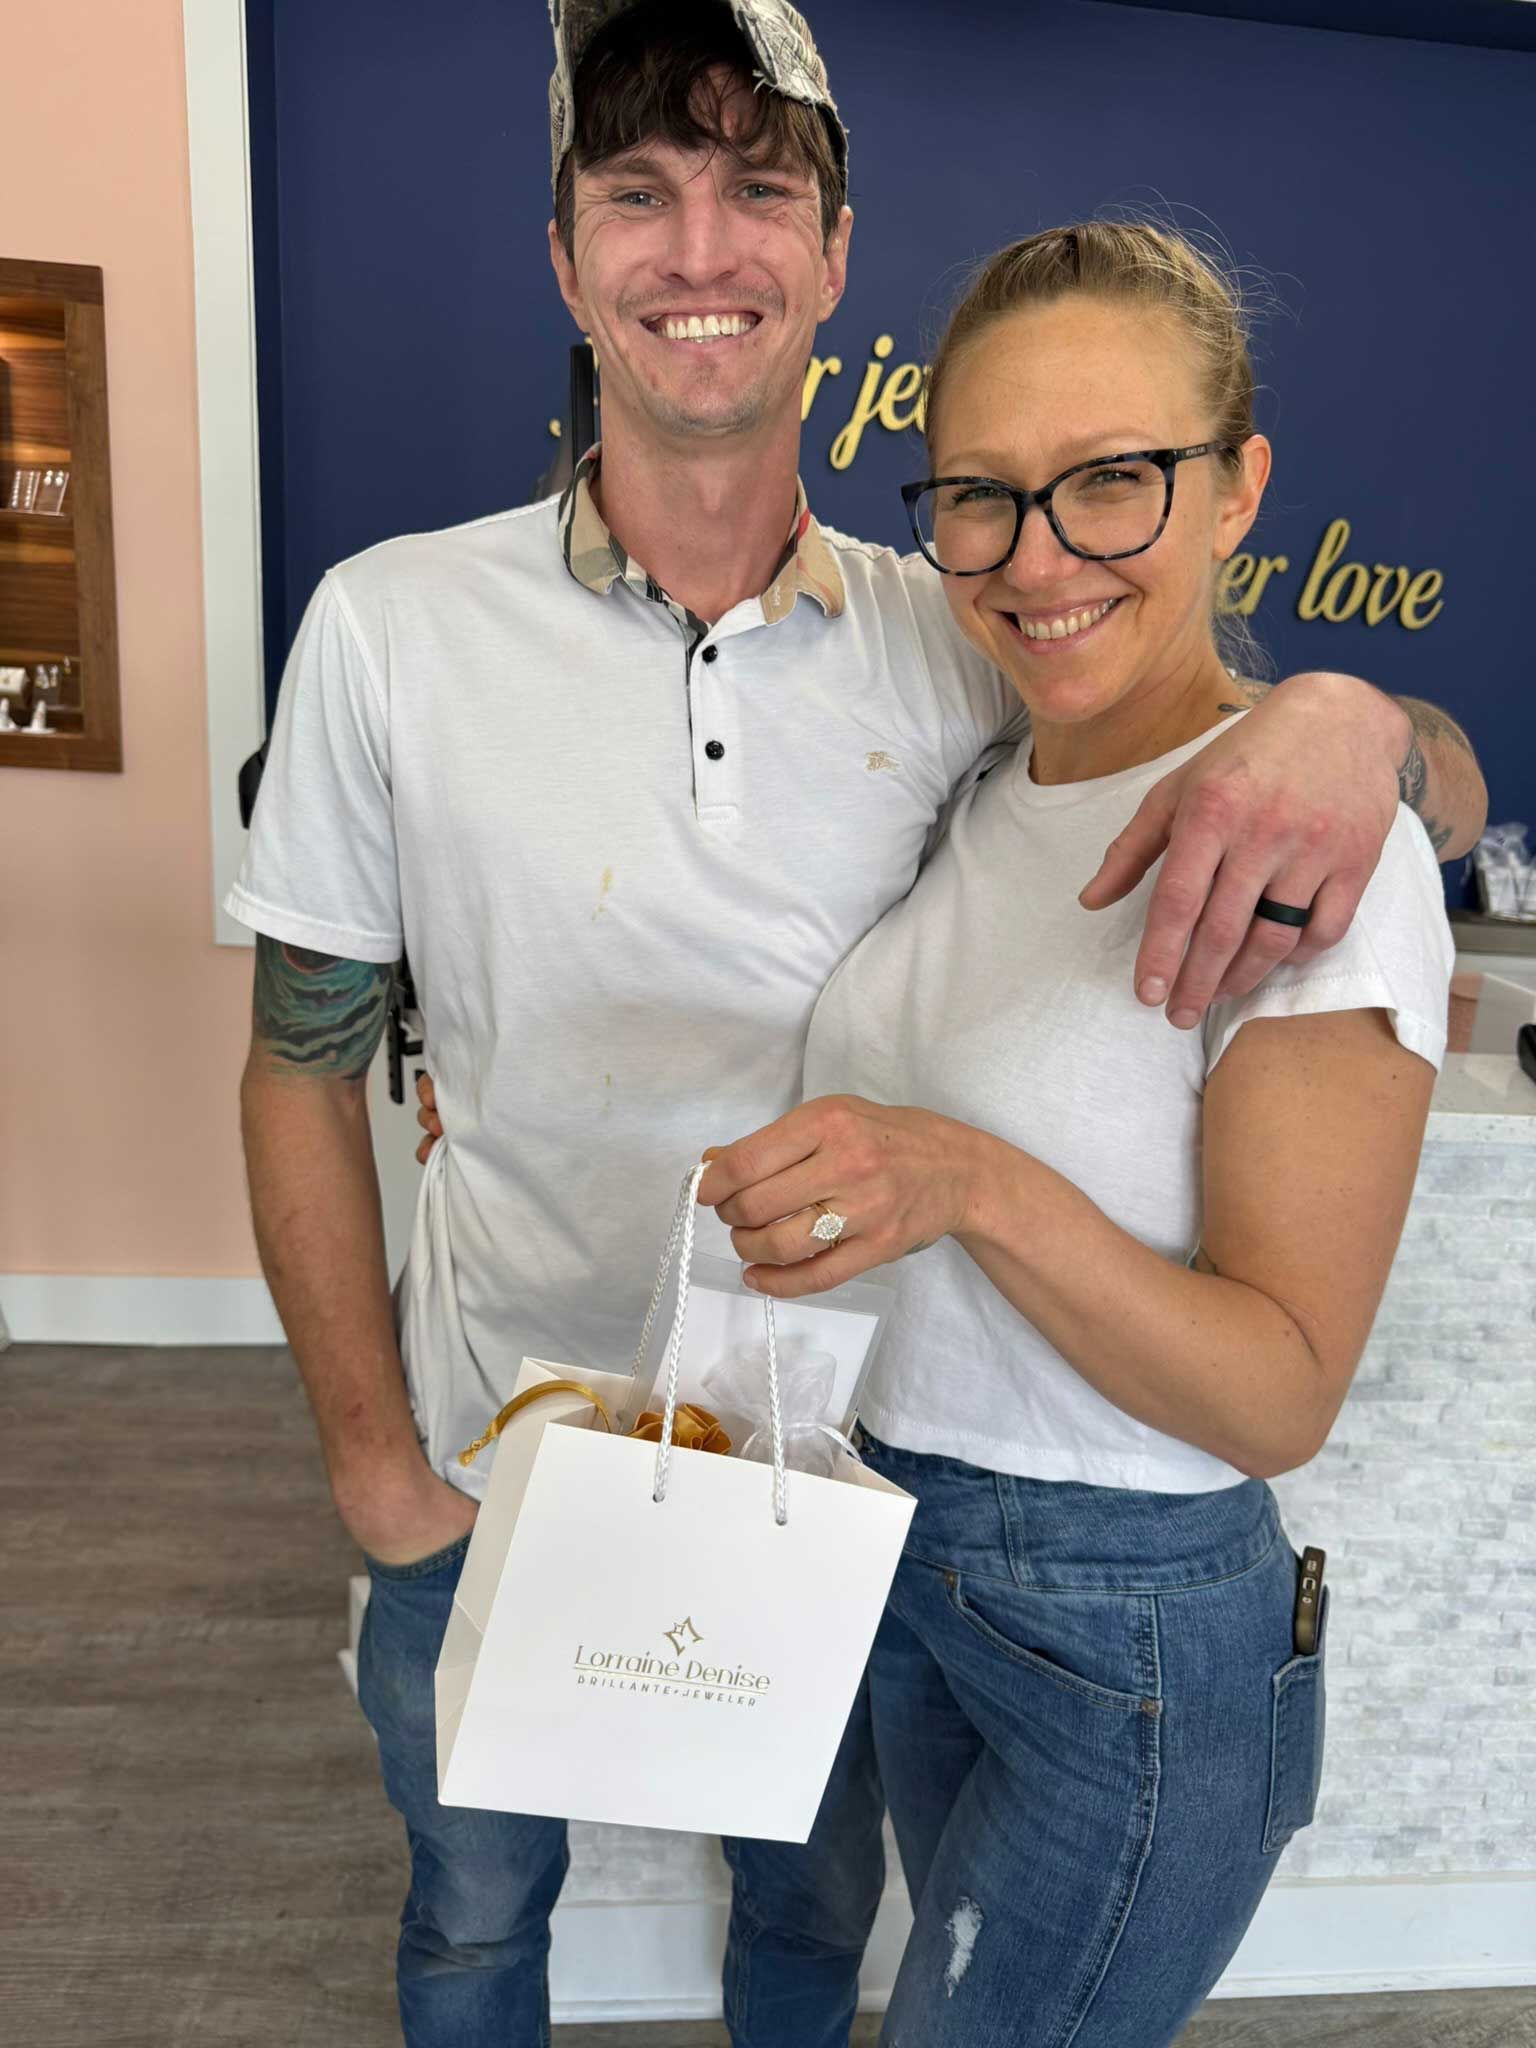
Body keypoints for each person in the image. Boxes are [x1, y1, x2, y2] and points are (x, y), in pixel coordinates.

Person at [234, 3, 1483, 2043]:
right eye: (637, 192)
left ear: (831, 259)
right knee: (469, 1917)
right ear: (563, 257)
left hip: (807, 1480)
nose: (698, 249)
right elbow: (296, 1060)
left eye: (758, 191)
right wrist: (376, 1465)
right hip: (485, 1439)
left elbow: (1286, 739)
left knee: (811, 1921)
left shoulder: (960, 623)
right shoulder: (390, 630)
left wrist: (1357, 723)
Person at [697, 221, 1457, 2044]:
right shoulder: (987, 774)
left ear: (1238, 488)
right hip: (910, 1551)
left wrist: (963, 1180)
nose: (1037, 559)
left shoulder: (1307, 862)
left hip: (1129, 1635)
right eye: (981, 495)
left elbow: (1277, 1395)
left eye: (1113, 479)